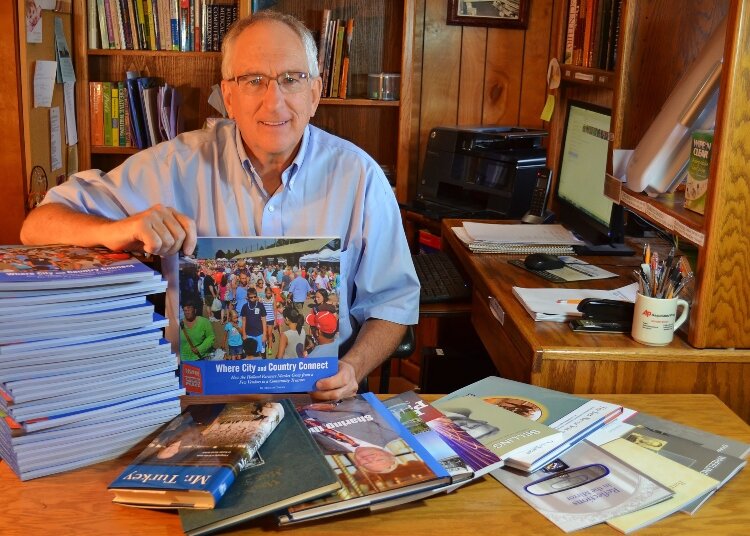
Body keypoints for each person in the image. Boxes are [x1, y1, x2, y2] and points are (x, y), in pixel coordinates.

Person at [19, 10, 419, 400]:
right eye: (254, 80)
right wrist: (117, 230)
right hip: (197, 399)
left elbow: (392, 303)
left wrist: (354, 368)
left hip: (317, 398)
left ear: (314, 93)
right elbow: (38, 225)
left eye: (291, 79)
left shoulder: (360, 177)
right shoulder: (174, 166)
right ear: (228, 96)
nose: (274, 101)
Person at [240, 288, 267, 357]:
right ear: (248, 297)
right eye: (251, 297)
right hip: (249, 334)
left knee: (263, 353)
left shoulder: (260, 305)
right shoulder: (245, 307)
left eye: (255, 297)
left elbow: (264, 320)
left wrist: (264, 334)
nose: (253, 298)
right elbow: (243, 321)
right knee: (251, 354)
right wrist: (244, 334)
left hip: (260, 334)